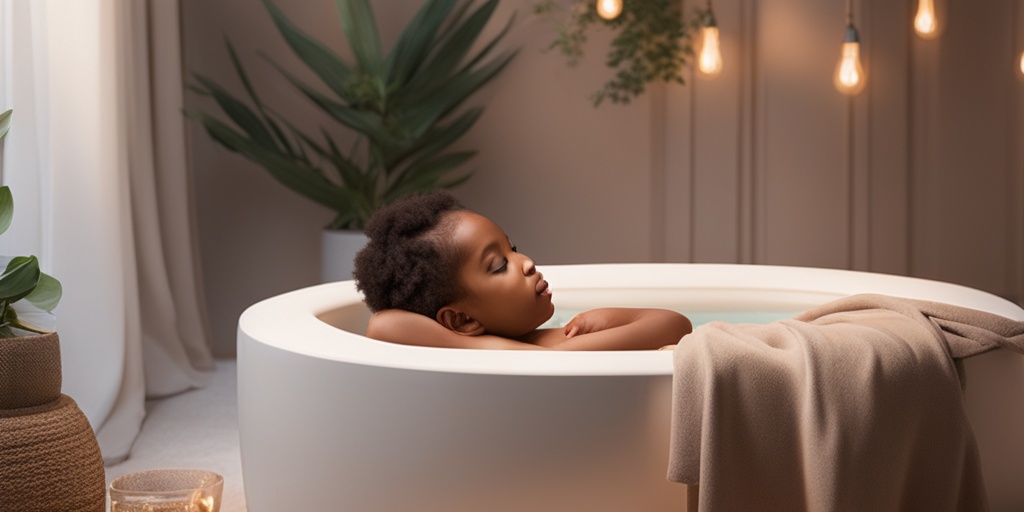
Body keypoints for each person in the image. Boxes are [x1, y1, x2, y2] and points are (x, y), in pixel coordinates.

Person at [353, 191, 692, 350]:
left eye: (511, 249)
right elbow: (384, 325)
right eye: (499, 266)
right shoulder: (555, 349)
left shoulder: (558, 338)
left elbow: (677, 325)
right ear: (463, 320)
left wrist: (606, 316)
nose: (527, 262)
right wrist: (480, 348)